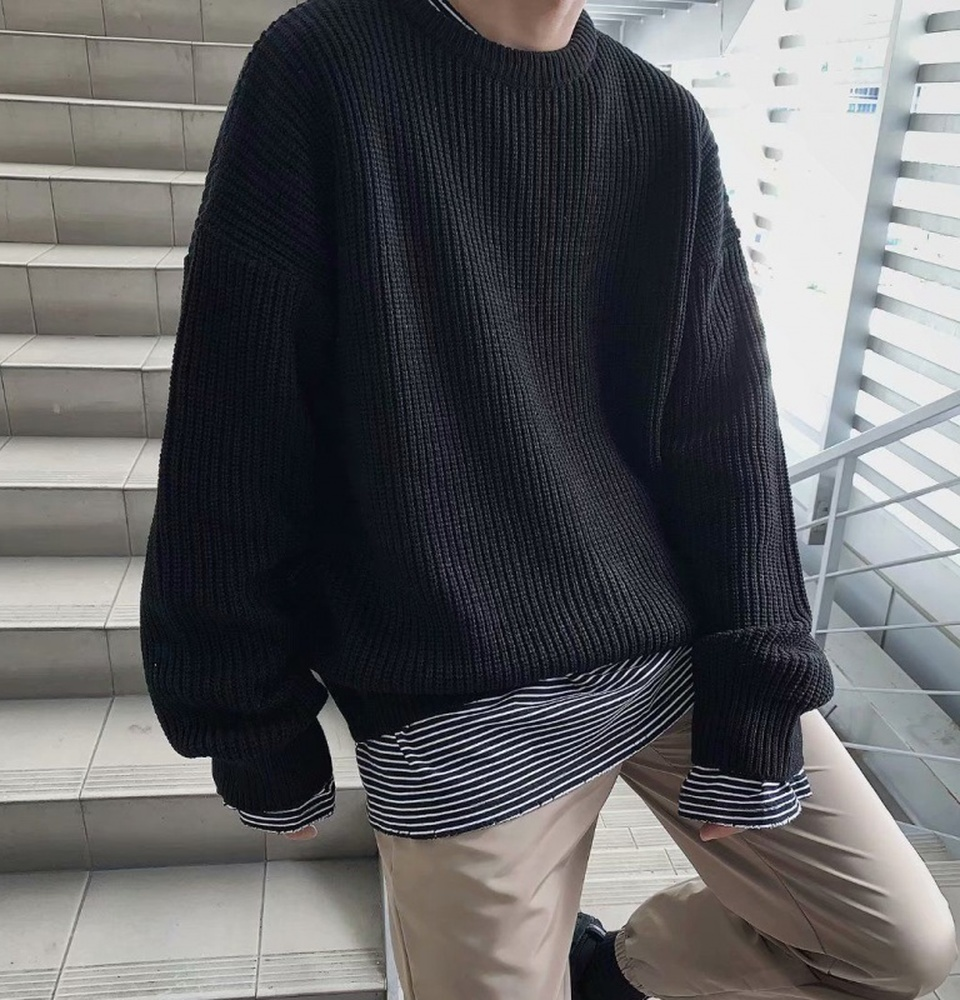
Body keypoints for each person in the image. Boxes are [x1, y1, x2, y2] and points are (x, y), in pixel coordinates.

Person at [138, 0, 958, 996]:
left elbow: (724, 426)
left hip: (670, 651)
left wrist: (760, 675)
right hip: (454, 683)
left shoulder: (660, 119)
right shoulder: (324, 67)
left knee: (900, 945)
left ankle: (616, 972)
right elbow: (236, 412)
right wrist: (245, 711)